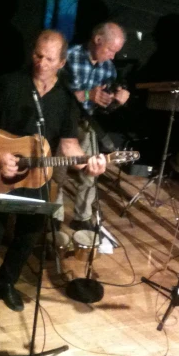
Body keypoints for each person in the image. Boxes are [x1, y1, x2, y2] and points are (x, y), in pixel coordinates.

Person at [0, 30, 106, 320]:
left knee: (29, 234)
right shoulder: (9, 83)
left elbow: (69, 146)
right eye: (37, 55)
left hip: (38, 176)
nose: (41, 62)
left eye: (49, 58)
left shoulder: (65, 99)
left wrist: (88, 163)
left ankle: (5, 283)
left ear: (62, 62)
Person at [57, 22, 130, 232]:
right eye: (110, 50)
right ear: (97, 40)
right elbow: (56, 94)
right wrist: (88, 94)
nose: (113, 56)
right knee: (58, 173)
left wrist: (117, 101)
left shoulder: (108, 68)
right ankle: (54, 216)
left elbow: (104, 109)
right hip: (62, 125)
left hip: (87, 123)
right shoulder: (68, 56)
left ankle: (82, 217)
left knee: (91, 171)